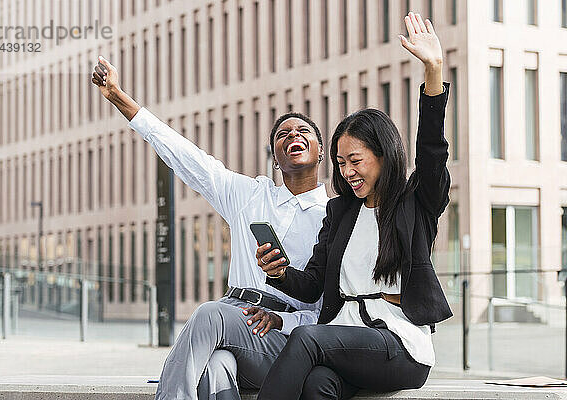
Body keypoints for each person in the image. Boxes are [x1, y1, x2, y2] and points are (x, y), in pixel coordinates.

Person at [91, 58, 327, 399]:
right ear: (276, 158)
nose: (293, 135)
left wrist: (282, 321)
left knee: (206, 313)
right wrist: (117, 96)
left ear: (320, 152)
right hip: (233, 324)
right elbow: (184, 155)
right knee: (217, 366)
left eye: (303, 131)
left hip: (282, 340)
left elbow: (327, 308)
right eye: (283, 134)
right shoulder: (249, 195)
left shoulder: (331, 217)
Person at [254, 13, 453, 400]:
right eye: (341, 163)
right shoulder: (340, 213)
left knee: (306, 338)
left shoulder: (416, 203)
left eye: (355, 160)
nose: (346, 172)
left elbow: (432, 149)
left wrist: (433, 70)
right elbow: (311, 286)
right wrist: (278, 273)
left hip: (398, 344)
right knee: (317, 386)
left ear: (382, 153)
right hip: (346, 341)